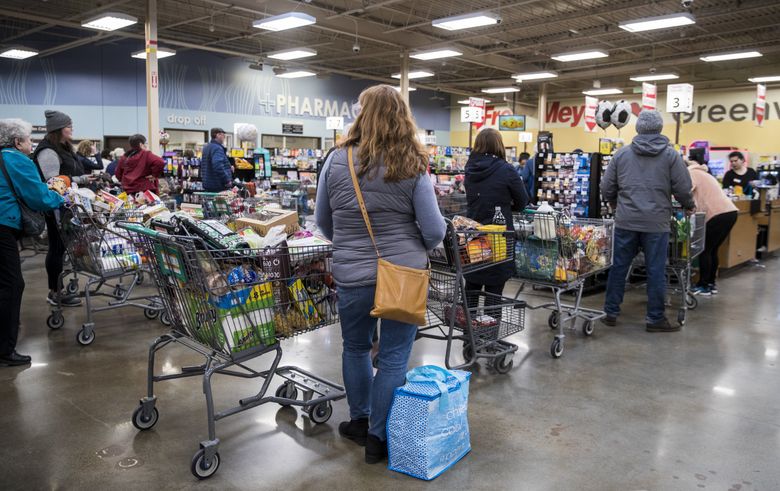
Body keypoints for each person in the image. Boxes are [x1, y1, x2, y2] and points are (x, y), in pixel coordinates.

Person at [315, 84, 446, 464]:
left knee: (355, 347)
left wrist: (353, 247)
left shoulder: (336, 160)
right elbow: (435, 230)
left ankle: (359, 420)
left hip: (352, 274)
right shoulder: (412, 162)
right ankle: (378, 438)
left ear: (360, 114)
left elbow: (324, 221)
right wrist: (412, 248)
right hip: (403, 274)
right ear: (402, 116)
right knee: (392, 358)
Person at [600, 110, 695, 333]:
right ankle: (655, 319)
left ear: (638, 128)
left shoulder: (621, 155)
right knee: (655, 270)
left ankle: (610, 312)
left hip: (625, 221)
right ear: (660, 128)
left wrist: (615, 203)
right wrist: (688, 204)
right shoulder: (671, 156)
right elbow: (683, 186)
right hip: (656, 223)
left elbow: (606, 187)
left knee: (619, 267)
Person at [0, 119, 64, 366]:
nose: (31, 144)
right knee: (12, 284)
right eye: (28, 139)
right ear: (17, 142)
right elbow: (37, 197)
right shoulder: (16, 159)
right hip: (4, 225)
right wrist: (60, 197)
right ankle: (5, 349)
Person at [464, 128, 529, 302]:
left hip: (473, 235)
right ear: (499, 146)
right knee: (494, 294)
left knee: (471, 286)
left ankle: (468, 329)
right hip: (498, 238)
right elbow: (522, 201)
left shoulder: (469, 169)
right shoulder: (507, 170)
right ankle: (489, 328)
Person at [32, 110, 88, 307]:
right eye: (68, 125)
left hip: (67, 206)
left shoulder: (63, 147)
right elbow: (53, 182)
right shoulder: (48, 150)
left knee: (61, 248)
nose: (72, 128)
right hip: (56, 207)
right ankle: (55, 292)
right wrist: (81, 179)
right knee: (56, 248)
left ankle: (58, 289)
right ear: (58, 128)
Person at [687, 159, 738, 296]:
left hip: (716, 214)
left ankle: (703, 285)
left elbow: (685, 192)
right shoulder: (706, 174)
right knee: (713, 250)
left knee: (705, 250)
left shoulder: (691, 173)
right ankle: (711, 283)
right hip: (730, 212)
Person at [202, 127, 232, 192]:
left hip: (208, 184)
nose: (224, 137)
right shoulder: (217, 148)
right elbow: (217, 166)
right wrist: (227, 180)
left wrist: (229, 167)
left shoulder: (207, 147)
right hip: (217, 185)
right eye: (223, 135)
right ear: (217, 135)